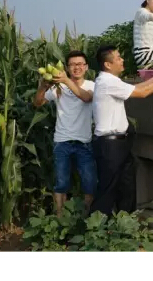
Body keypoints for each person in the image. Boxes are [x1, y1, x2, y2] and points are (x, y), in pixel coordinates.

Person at [91, 45, 153, 216]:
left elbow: (137, 87)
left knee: (127, 187)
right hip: (110, 145)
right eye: (118, 58)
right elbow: (142, 93)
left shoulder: (110, 80)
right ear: (107, 64)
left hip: (119, 143)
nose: (122, 60)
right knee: (108, 190)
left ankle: (125, 222)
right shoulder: (107, 82)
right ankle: (96, 225)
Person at [33, 51, 96, 217]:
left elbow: (86, 97)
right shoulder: (57, 88)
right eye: (72, 64)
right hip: (62, 141)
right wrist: (43, 87)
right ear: (67, 68)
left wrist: (66, 80)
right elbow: (38, 103)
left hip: (84, 142)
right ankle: (60, 218)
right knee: (61, 184)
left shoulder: (92, 85)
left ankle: (85, 217)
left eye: (80, 64)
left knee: (89, 183)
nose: (76, 67)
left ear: (86, 67)